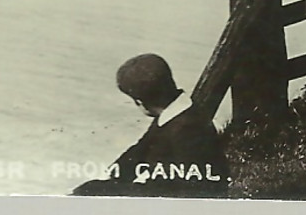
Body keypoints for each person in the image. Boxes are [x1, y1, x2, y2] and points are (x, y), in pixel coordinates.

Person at [72, 53, 230, 198]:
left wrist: (122, 189)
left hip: (184, 199)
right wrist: (115, 173)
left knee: (88, 192)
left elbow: (191, 188)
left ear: (140, 103)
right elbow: (142, 148)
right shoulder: (174, 112)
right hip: (166, 188)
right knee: (91, 189)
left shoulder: (186, 130)